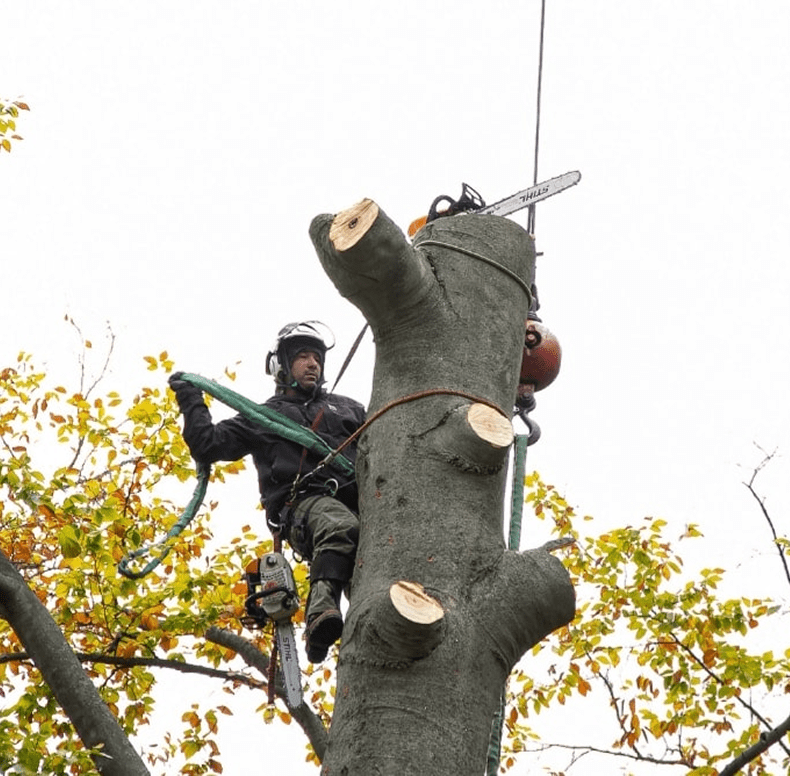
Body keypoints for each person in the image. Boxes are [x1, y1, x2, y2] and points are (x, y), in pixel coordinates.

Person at [168, 321, 366, 663]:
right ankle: (319, 613)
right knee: (340, 526)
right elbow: (207, 443)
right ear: (281, 366)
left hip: (363, 507)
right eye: (303, 356)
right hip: (305, 505)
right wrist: (191, 398)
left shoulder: (349, 409)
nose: (313, 364)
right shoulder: (262, 417)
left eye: (316, 357)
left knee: (374, 569)